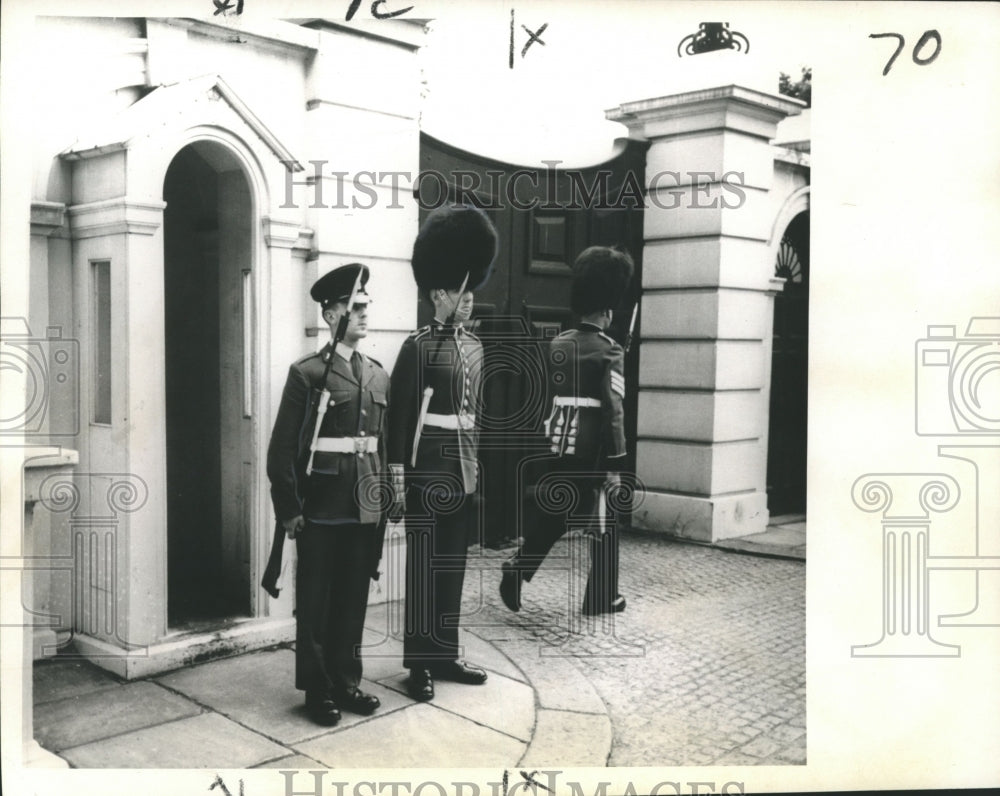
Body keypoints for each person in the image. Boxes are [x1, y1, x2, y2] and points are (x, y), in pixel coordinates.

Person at [263, 263, 390, 726]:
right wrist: (290, 509)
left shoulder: (377, 375)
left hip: (364, 505)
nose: (362, 315)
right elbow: (281, 451)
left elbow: (384, 444)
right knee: (316, 602)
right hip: (321, 505)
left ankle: (346, 680)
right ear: (330, 314)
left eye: (364, 307)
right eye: (353, 308)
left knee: (353, 597)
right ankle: (317, 689)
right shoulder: (308, 374)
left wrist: (387, 499)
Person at [387, 204, 498, 702]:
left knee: (453, 567)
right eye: (460, 290)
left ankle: (445, 653)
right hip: (428, 472)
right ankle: (418, 663)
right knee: (425, 568)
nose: (469, 299)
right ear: (438, 293)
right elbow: (400, 421)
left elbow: (476, 418)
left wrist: (476, 473)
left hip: (464, 473)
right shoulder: (417, 347)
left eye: (471, 289)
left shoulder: (475, 347)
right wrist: (397, 483)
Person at [499, 246, 633, 616]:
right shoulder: (610, 350)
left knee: (558, 513)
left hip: (559, 439)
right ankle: (600, 597)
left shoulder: (560, 343)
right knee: (607, 516)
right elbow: (613, 411)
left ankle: (518, 568)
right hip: (593, 447)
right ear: (607, 309)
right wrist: (615, 463)